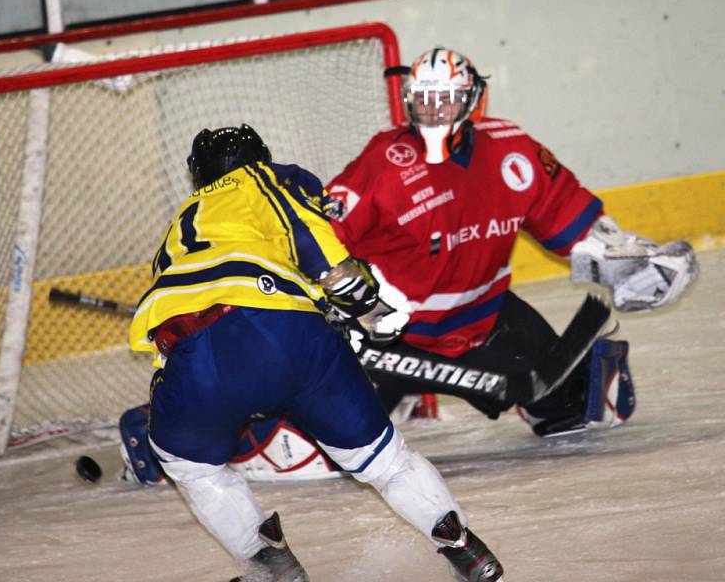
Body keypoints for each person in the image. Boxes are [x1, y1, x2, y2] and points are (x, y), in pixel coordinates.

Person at [127, 123, 505, 581]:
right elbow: (302, 232)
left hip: (197, 352)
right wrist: (361, 300)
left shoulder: (177, 232)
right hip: (290, 332)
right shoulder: (259, 179)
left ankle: (272, 565)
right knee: (387, 463)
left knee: (190, 466)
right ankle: (465, 549)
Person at [323, 46, 698, 436]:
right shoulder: (385, 161)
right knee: (326, 443)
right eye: (424, 99)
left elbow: (566, 215)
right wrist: (335, 306)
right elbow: (322, 235)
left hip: (487, 322)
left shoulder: (510, 150)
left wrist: (626, 265)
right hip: (393, 337)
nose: (434, 111)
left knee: (576, 405)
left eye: (446, 99)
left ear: (473, 100)